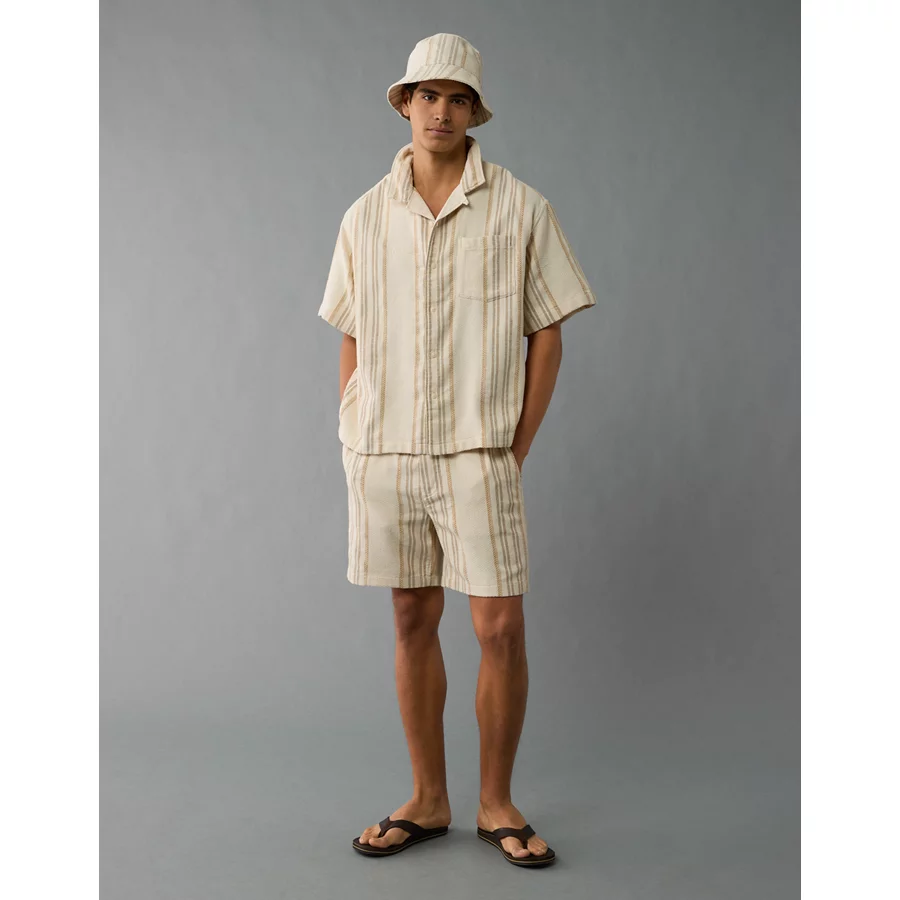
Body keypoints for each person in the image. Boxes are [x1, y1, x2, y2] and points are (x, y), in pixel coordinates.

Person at [317, 33, 596, 868]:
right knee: (411, 617)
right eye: (427, 95)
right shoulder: (364, 216)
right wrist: (355, 423)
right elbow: (351, 331)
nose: (441, 111)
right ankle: (428, 798)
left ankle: (496, 801)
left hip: (479, 452)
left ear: (476, 112)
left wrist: (515, 445)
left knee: (499, 626)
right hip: (386, 452)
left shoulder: (521, 208)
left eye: (457, 98)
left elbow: (548, 331)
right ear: (405, 104)